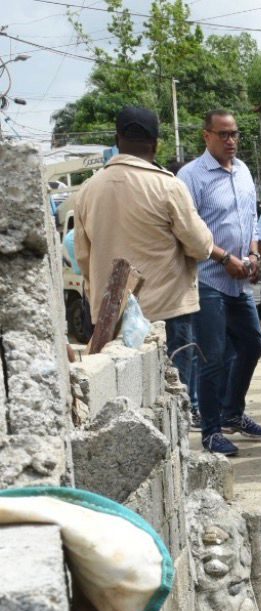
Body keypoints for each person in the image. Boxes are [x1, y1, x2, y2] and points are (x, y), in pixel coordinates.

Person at [72, 107, 224, 418]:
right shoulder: (167, 186)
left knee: (121, 410)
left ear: (117, 140)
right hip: (165, 316)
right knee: (169, 407)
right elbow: (201, 246)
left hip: (111, 317)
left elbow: (83, 259)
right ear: (155, 144)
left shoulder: (88, 190)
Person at [177, 109, 261, 456]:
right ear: (207, 136)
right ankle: (212, 431)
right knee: (212, 357)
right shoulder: (191, 177)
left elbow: (251, 222)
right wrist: (223, 258)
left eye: (235, 134)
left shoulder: (243, 171)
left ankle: (233, 411)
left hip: (240, 280)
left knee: (253, 344)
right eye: (224, 134)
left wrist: (254, 255)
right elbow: (188, 233)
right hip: (208, 278)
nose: (231, 141)